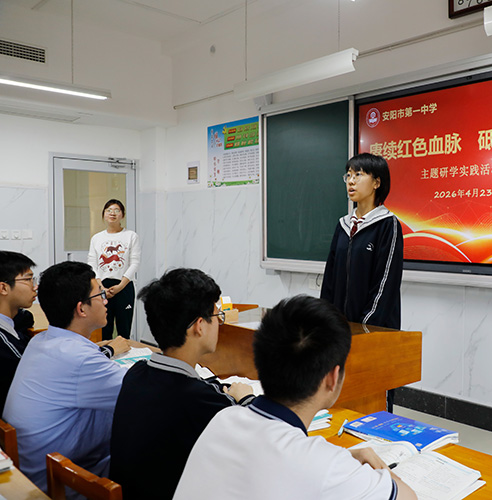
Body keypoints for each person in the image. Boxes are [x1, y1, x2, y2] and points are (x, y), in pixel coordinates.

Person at [173, 295, 417, 500]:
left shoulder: (222, 419)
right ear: (332, 378)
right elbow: (408, 497)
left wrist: (341, 459)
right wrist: (375, 470)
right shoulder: (325, 466)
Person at [110, 268, 255, 500]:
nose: (219, 323)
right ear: (199, 326)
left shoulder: (136, 374)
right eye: (217, 316)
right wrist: (246, 398)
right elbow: (261, 437)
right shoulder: (201, 401)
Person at [3, 261, 130, 493]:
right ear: (81, 309)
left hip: (36, 468)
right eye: (100, 294)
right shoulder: (80, 359)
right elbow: (140, 394)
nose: (106, 301)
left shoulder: (41, 341)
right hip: (59, 484)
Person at [321, 153, 404, 329]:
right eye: (348, 175)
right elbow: (330, 279)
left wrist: (365, 326)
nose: (351, 181)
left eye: (358, 175)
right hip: (340, 329)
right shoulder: (343, 225)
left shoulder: (387, 224)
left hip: (374, 330)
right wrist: (326, 319)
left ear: (376, 183)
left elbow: (385, 284)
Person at [87, 199, 141, 340]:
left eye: (117, 210)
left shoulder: (131, 236)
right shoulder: (97, 238)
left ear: (122, 215)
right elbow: (92, 264)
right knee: (104, 328)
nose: (113, 213)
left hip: (124, 286)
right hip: (102, 287)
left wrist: (121, 286)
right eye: (109, 210)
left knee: (124, 329)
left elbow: (134, 263)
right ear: (104, 214)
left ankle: (124, 353)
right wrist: (101, 287)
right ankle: (105, 353)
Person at [0, 251, 37, 415]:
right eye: (28, 280)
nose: (35, 286)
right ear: (3, 287)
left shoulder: (13, 320)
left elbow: (25, 318)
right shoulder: (5, 346)